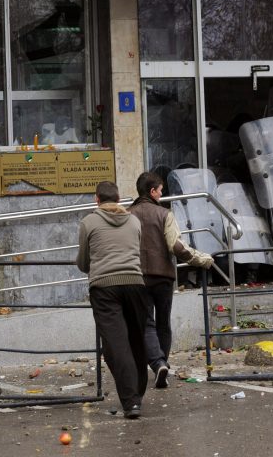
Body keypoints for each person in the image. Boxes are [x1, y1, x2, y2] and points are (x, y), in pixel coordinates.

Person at [128, 172, 214, 389]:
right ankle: (161, 364)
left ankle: (158, 365)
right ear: (152, 191)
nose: (162, 193)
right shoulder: (164, 214)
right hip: (163, 277)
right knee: (163, 323)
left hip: (137, 276)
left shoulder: (127, 215)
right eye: (160, 190)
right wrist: (201, 259)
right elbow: (176, 246)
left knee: (146, 323)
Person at [76, 181, 149, 419]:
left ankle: (131, 401)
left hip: (104, 287)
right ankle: (137, 393)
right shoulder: (134, 221)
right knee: (136, 340)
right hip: (135, 284)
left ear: (97, 199)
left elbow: (83, 263)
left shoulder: (88, 222)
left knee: (116, 345)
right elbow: (136, 250)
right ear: (118, 199)